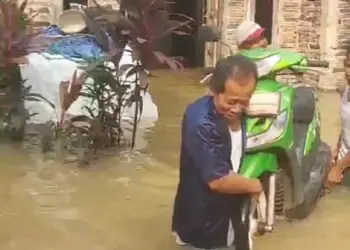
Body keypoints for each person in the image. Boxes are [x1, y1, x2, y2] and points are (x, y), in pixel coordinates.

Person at [172, 55, 263, 250]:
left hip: (230, 219)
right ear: (214, 90)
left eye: (245, 101)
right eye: (231, 102)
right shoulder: (200, 121)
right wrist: (254, 186)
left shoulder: (243, 113)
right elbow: (218, 179)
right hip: (203, 229)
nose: (238, 108)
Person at [327, 47, 350, 185]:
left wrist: (339, 168)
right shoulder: (347, 90)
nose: (348, 72)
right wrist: (336, 150)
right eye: (348, 65)